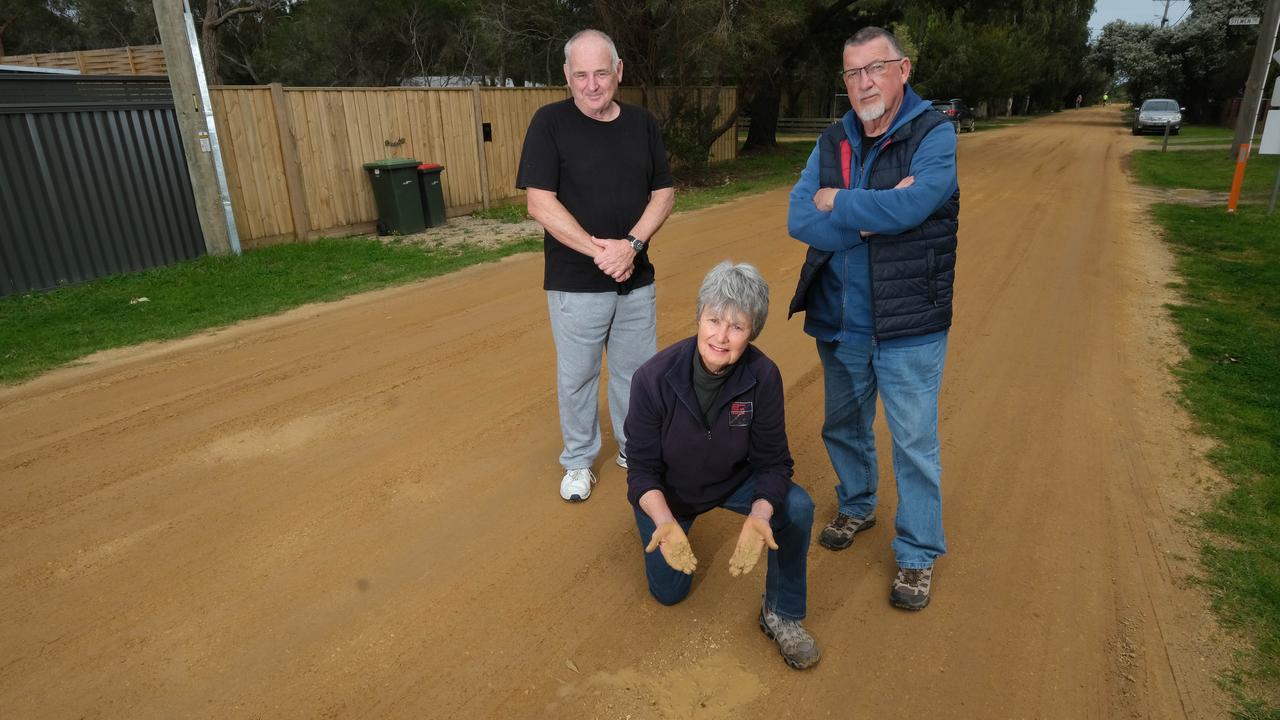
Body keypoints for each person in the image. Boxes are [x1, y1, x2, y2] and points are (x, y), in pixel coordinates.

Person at [786, 26, 959, 611]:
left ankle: (916, 554)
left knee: (913, 442)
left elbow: (915, 203)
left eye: (875, 69)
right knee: (843, 426)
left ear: (903, 70)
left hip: (910, 321)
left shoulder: (933, 134)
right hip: (841, 318)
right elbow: (798, 218)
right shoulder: (832, 139)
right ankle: (857, 505)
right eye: (853, 73)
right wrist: (871, 216)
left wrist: (840, 202)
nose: (864, 83)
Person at [625, 261, 819, 670]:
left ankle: (781, 613)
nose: (721, 336)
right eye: (714, 320)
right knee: (669, 592)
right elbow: (641, 469)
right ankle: (672, 528)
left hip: (734, 481)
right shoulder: (653, 378)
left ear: (753, 332)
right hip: (671, 494)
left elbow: (774, 463)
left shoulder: (763, 376)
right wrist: (663, 520)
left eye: (737, 327)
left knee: (797, 508)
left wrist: (762, 513)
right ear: (699, 317)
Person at [516, 29, 675, 503]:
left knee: (636, 373)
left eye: (601, 73)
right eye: (580, 74)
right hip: (575, 283)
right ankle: (580, 461)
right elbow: (538, 203)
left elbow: (663, 193)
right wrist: (600, 251)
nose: (591, 84)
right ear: (566, 76)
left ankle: (635, 450)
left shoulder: (643, 124)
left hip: (635, 278)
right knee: (578, 376)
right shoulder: (549, 124)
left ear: (618, 72)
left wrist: (631, 245)